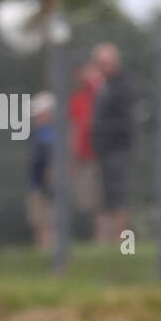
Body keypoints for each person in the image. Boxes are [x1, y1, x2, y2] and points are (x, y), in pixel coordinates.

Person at [90, 43, 134, 242]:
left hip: (117, 150)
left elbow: (122, 120)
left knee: (119, 198)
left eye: (104, 63)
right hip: (103, 150)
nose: (100, 67)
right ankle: (106, 242)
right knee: (105, 197)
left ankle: (123, 242)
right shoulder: (103, 86)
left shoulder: (121, 86)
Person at [67, 62, 102, 237]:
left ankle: (107, 239)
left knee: (101, 201)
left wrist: (94, 77)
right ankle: (98, 238)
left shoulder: (96, 92)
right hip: (83, 156)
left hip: (99, 155)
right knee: (88, 201)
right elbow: (74, 129)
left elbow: (100, 87)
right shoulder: (76, 98)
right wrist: (72, 157)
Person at [26, 92, 56, 251]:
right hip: (37, 183)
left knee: (46, 222)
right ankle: (43, 249)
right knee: (39, 222)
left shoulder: (51, 134)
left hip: (45, 185)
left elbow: (51, 161)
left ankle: (47, 250)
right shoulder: (39, 134)